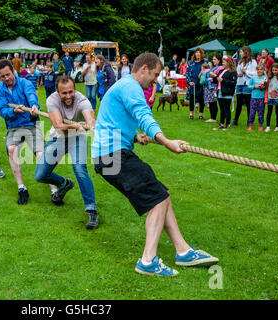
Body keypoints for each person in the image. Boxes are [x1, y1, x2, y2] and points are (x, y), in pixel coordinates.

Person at [92, 52, 218, 277]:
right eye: (156, 74)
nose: (156, 80)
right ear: (144, 69)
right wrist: (167, 141)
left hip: (108, 155)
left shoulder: (122, 86)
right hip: (112, 156)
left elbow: (109, 122)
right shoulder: (131, 87)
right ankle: (148, 260)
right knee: (157, 199)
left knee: (162, 194)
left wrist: (133, 137)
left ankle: (183, 250)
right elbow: (144, 116)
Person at [35, 76, 99, 229]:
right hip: (59, 137)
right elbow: (58, 125)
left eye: (71, 92)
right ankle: (64, 183)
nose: (68, 96)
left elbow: (90, 119)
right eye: (64, 93)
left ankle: (92, 211)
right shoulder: (52, 100)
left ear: (75, 90)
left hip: (78, 138)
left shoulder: (83, 100)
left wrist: (91, 125)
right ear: (58, 93)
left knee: (79, 169)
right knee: (40, 175)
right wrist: (76, 125)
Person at [0, 59, 57, 205]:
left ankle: (55, 191)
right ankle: (21, 188)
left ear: (13, 71)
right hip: (14, 126)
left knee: (41, 154)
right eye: (3, 76)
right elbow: (2, 111)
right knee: (12, 149)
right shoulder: (0, 89)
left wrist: (34, 106)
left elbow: (32, 97)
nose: (6, 78)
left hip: (30, 124)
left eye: (8, 74)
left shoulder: (25, 83)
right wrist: (12, 110)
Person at [233, 46, 257, 126]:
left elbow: (254, 74)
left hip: (247, 85)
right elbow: (237, 72)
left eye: (241, 52)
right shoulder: (240, 62)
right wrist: (238, 74)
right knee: (238, 103)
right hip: (240, 84)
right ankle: (235, 120)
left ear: (246, 52)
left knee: (248, 104)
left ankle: (249, 121)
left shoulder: (252, 62)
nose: (240, 53)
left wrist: (245, 71)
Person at [212, 55, 237, 131]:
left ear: (228, 62)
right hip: (220, 91)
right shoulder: (221, 70)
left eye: (224, 62)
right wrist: (214, 77)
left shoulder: (233, 72)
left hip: (227, 92)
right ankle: (221, 124)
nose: (222, 63)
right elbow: (216, 81)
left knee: (226, 109)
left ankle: (228, 125)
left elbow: (233, 83)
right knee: (222, 109)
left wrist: (223, 80)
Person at [186, 48, 207, 120]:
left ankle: (200, 115)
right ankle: (191, 114)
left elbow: (208, 71)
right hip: (193, 83)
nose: (198, 54)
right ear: (194, 54)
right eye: (196, 52)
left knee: (202, 99)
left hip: (201, 83)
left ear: (201, 54)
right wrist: (189, 82)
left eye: (199, 52)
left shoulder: (204, 62)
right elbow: (188, 73)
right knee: (192, 98)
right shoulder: (191, 63)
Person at [203, 55, 224, 123]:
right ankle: (212, 117)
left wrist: (212, 78)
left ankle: (213, 118)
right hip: (209, 86)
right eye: (213, 59)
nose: (213, 61)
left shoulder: (220, 68)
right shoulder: (214, 67)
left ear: (219, 60)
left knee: (213, 102)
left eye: (215, 59)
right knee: (210, 102)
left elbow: (219, 77)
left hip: (214, 86)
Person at [247, 64, 267, 131]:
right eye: (258, 69)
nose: (259, 71)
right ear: (256, 70)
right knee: (252, 112)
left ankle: (260, 125)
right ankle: (250, 124)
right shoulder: (253, 78)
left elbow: (267, 86)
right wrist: (254, 86)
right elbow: (249, 86)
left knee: (261, 112)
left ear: (263, 70)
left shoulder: (265, 77)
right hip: (253, 98)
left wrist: (264, 87)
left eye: (261, 69)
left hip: (261, 98)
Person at [264, 63, 278, 132]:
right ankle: (268, 126)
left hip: (277, 98)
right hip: (270, 97)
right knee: (269, 112)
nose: (274, 71)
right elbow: (266, 87)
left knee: (277, 112)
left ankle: (277, 126)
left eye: (276, 70)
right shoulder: (269, 77)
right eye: (273, 70)